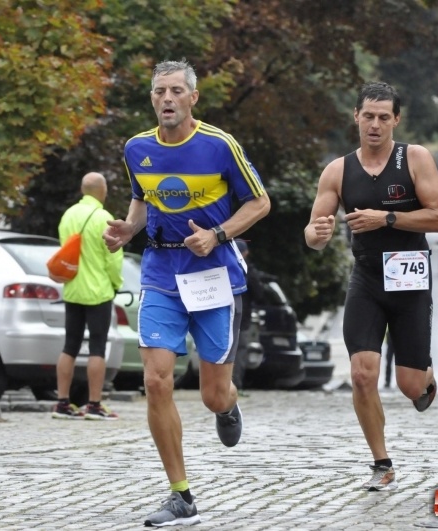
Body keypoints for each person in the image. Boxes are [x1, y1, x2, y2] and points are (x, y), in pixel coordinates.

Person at [103, 59, 270, 527]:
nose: (168, 98)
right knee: (156, 380)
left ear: (193, 98)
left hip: (213, 274)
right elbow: (142, 198)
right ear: (152, 98)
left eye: (177, 91)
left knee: (212, 394)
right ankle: (181, 495)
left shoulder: (220, 145)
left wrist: (217, 235)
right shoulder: (137, 148)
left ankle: (228, 404)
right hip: (161, 273)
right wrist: (128, 228)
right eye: (160, 91)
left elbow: (260, 202)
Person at [304, 81, 438, 492]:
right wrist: (317, 233)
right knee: (362, 374)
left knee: (410, 386)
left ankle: (425, 376)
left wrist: (386, 218)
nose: (375, 124)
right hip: (367, 278)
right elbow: (313, 234)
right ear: (356, 116)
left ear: (395, 120)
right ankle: (381, 462)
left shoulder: (414, 158)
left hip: (409, 278)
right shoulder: (337, 171)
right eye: (368, 116)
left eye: (384, 117)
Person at [51, 172, 123, 421]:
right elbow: (113, 260)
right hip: (98, 292)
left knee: (69, 345)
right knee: (97, 347)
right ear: (102, 190)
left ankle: (62, 402)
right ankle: (94, 404)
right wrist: (116, 284)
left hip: (72, 289)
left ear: (83, 190)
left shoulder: (68, 215)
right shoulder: (104, 218)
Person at [232, 239, 264, 393]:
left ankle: (223, 386)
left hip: (222, 316)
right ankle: (235, 386)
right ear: (245, 253)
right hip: (242, 318)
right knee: (239, 350)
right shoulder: (248, 271)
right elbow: (259, 294)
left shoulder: (223, 266)